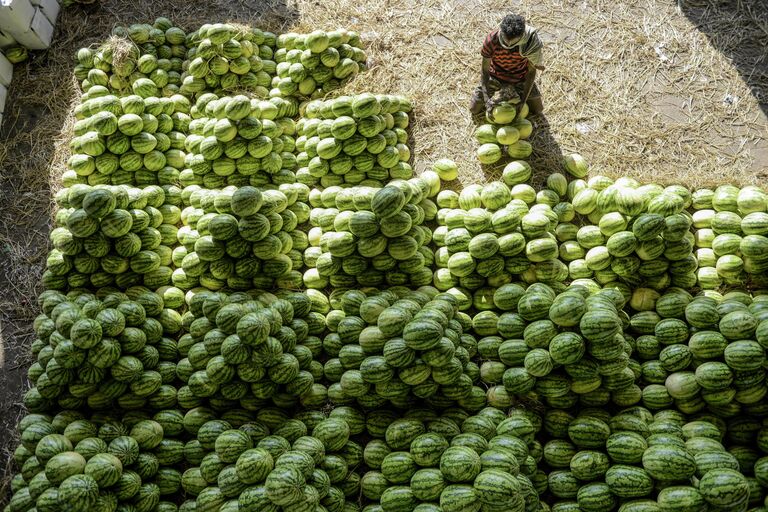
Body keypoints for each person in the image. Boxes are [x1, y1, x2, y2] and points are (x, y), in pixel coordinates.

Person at [470, 14, 545, 118]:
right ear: (502, 31)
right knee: (474, 109)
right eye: (506, 39)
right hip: (496, 75)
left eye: (513, 41)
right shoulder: (492, 40)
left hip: (520, 77)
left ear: (522, 35)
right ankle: (507, 94)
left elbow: (531, 72)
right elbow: (485, 70)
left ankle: (515, 94)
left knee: (538, 110)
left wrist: (523, 100)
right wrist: (487, 99)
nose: (509, 44)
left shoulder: (530, 42)